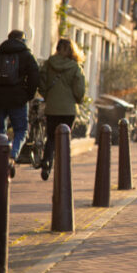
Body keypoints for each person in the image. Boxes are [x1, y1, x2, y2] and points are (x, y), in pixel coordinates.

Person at [0, 29, 40, 177]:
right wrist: (28, 95)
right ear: (22, 40)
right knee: (21, 130)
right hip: (18, 100)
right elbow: (34, 77)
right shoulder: (27, 56)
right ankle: (12, 156)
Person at [37, 38, 86, 181]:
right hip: (69, 110)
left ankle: (47, 162)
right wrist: (78, 100)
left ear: (57, 49)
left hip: (52, 108)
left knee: (51, 137)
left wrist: (47, 95)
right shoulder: (76, 67)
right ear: (72, 50)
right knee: (64, 138)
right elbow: (79, 90)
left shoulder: (48, 64)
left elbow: (41, 81)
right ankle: (63, 167)